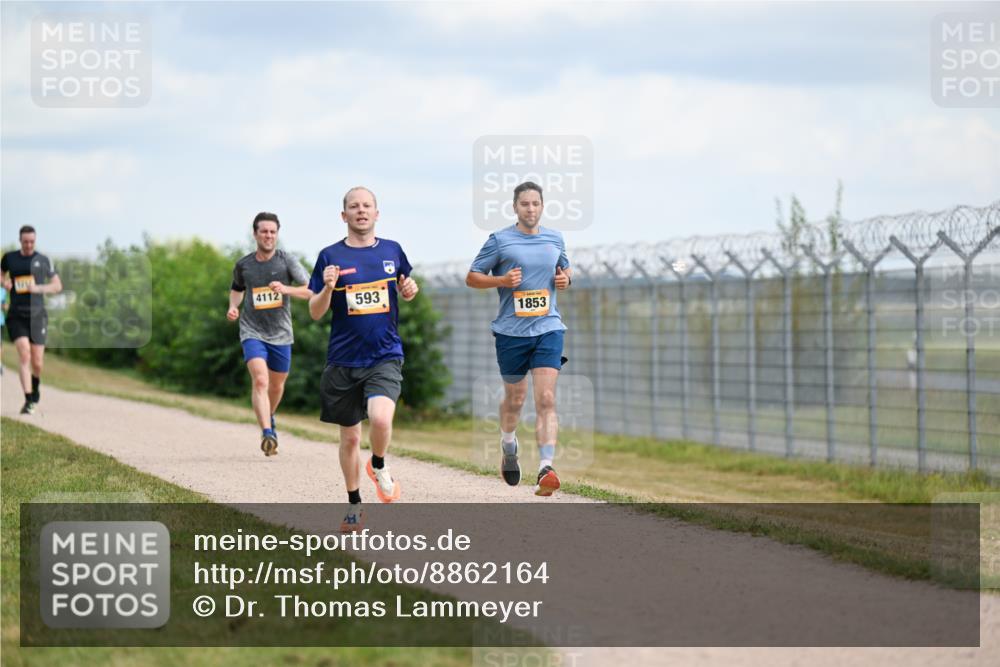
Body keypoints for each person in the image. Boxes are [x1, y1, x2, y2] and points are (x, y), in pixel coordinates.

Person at [308, 187, 419, 532]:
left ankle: (379, 465)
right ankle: (354, 504)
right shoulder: (329, 256)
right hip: (343, 359)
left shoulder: (392, 250)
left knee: (381, 419)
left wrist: (409, 289)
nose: (361, 211)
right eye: (353, 207)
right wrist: (327, 288)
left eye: (366, 206)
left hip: (384, 354)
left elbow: (405, 285)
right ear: (344, 216)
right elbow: (314, 312)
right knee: (351, 438)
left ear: (376, 213)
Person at [466, 181, 572, 496]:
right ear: (515, 207)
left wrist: (565, 279)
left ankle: (546, 467)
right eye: (524, 204)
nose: (530, 209)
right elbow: (472, 277)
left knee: (547, 399)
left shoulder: (555, 238)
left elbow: (565, 270)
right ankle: (509, 444)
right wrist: (500, 279)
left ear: (542, 206)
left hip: (548, 327)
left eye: (535, 204)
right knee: (515, 400)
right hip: (511, 332)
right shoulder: (500, 240)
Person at [228, 212, 312, 456]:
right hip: (252, 330)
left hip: (281, 334)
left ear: (277, 234)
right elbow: (236, 290)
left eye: (272, 232)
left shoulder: (287, 261)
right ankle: (267, 433)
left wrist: (285, 288)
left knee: (276, 385)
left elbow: (311, 290)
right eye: (263, 231)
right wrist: (233, 307)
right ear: (255, 234)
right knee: (261, 380)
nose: (268, 235)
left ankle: (269, 416)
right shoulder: (244, 265)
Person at [1, 226, 63, 414]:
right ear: (20, 240)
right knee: (25, 355)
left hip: (37, 317)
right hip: (16, 315)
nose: (28, 245)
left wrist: (38, 288)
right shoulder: (9, 258)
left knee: (38, 362)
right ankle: (28, 400)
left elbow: (57, 286)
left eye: (32, 241)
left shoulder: (43, 260)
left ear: (35, 241)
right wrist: (4, 283)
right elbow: (1, 275)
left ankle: (35, 387)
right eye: (25, 241)